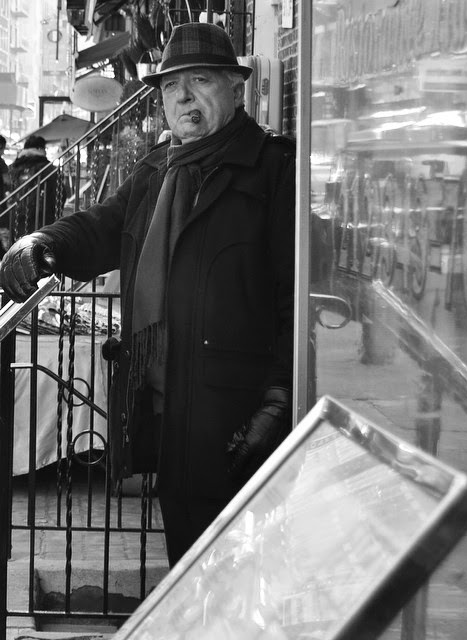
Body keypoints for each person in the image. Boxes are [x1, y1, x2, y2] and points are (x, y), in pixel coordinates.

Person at [0, 22, 296, 568]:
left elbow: (293, 298)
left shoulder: (274, 170)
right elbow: (105, 226)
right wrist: (44, 243)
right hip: (166, 406)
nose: (182, 97)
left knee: (241, 566)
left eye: (200, 81)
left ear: (236, 89)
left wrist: (279, 400)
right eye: (171, 86)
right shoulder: (158, 169)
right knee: (187, 558)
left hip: (234, 414)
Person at [9, 135, 65, 236]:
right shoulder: (49, 170)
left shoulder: (12, 168)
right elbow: (60, 194)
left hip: (17, 217)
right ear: (40, 149)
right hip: (43, 220)